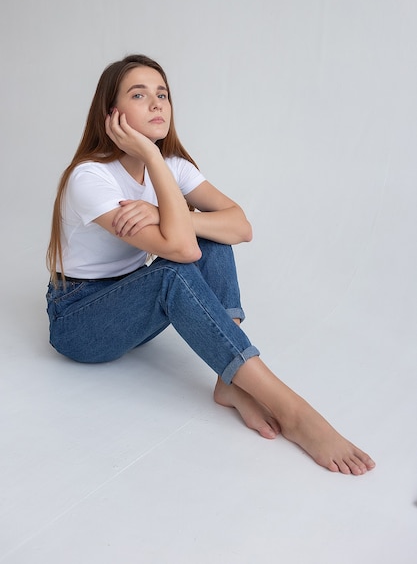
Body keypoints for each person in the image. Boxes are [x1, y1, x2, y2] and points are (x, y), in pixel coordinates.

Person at [46, 54, 375, 476]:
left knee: (212, 237)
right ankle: (293, 411)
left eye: (162, 94)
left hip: (130, 300)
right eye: (139, 95)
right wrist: (150, 155)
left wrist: (171, 209)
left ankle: (230, 382)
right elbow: (181, 252)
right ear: (112, 114)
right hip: (79, 321)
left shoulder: (174, 168)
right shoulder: (90, 178)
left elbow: (241, 225)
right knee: (178, 264)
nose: (156, 104)